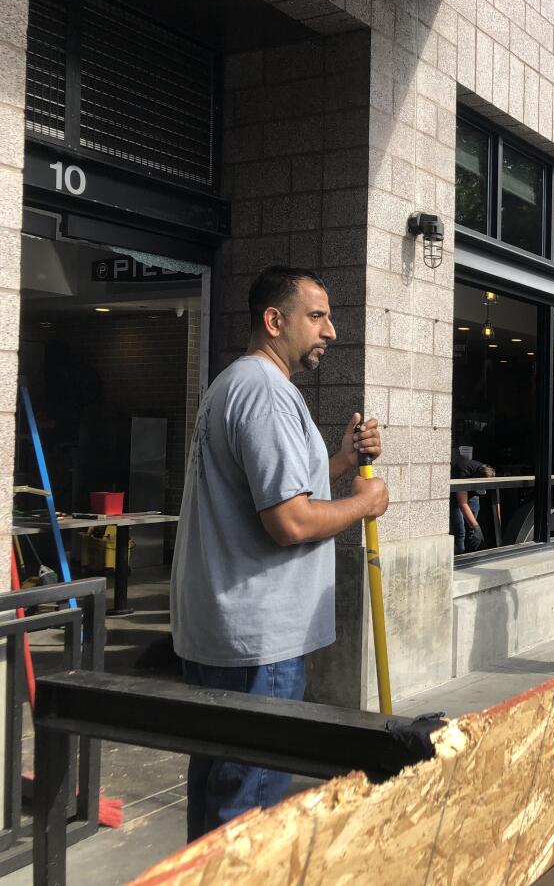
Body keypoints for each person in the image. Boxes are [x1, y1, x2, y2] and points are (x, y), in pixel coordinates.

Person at [171, 266, 389, 841]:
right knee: (248, 820)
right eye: (317, 316)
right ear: (274, 320)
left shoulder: (234, 384)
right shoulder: (268, 393)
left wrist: (339, 462)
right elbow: (289, 521)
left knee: (221, 798)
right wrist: (366, 504)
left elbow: (272, 491)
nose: (331, 331)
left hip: (227, 632)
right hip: (257, 643)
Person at [450, 454, 495, 554]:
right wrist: (477, 527)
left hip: (471, 492)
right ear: (475, 479)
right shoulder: (463, 471)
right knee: (461, 531)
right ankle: (460, 557)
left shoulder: (486, 471)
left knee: (471, 529)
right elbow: (462, 503)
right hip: (456, 495)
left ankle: (472, 554)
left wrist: (474, 528)